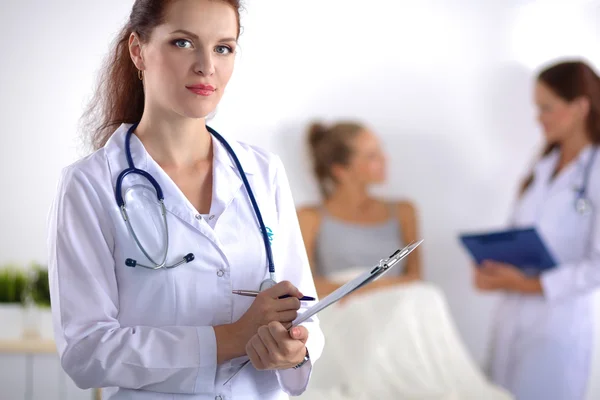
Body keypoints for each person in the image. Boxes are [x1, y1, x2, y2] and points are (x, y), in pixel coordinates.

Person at [47, 1, 323, 399]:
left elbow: (306, 313)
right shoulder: (90, 184)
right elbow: (85, 351)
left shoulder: (264, 172)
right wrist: (230, 339)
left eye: (223, 48)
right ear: (138, 50)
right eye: (183, 43)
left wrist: (294, 349)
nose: (207, 66)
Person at [473, 60, 600, 400]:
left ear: (580, 107)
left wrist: (529, 284)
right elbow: (518, 234)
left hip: (559, 327)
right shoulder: (541, 167)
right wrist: (491, 266)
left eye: (546, 108)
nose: (537, 117)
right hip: (512, 318)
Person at [297, 121, 422, 299]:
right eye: (372, 156)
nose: (385, 159)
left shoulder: (404, 211)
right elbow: (303, 285)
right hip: (341, 311)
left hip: (397, 308)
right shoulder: (309, 217)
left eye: (381, 151)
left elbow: (415, 279)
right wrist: (367, 289)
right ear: (340, 169)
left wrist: (374, 288)